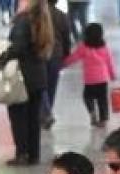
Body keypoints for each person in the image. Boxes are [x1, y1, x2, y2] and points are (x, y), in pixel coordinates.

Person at [4, 0, 54, 166]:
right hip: (38, 76)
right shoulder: (43, 19)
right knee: (33, 118)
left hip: (21, 77)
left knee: (18, 116)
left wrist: (2, 55)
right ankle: (33, 154)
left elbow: (16, 48)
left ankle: (22, 154)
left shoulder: (23, 20)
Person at [62, 23, 116, 128]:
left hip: (90, 80)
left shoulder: (83, 47)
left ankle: (92, 112)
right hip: (103, 79)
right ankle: (103, 120)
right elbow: (110, 62)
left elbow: (73, 58)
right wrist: (113, 75)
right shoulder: (105, 48)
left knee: (87, 97)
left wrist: (62, 64)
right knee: (103, 100)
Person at [41, 0, 71, 130]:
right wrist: (66, 54)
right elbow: (66, 38)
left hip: (41, 53)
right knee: (51, 86)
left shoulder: (39, 15)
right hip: (56, 54)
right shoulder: (62, 16)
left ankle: (45, 113)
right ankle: (47, 112)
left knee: (41, 85)